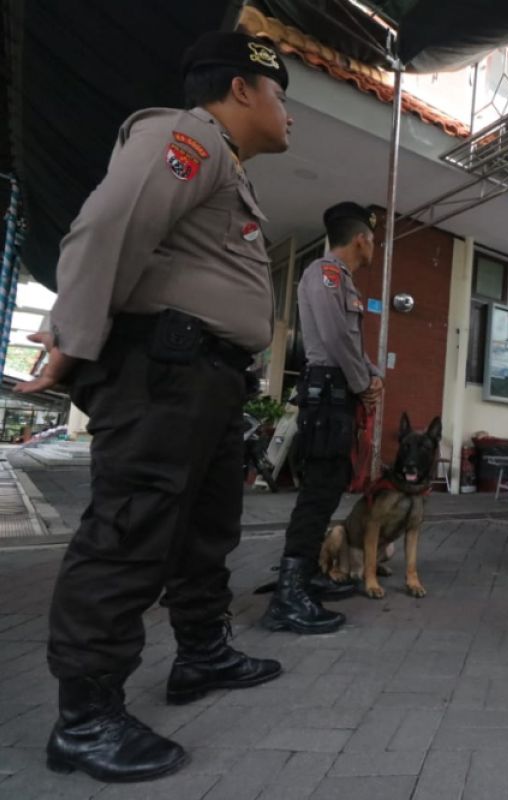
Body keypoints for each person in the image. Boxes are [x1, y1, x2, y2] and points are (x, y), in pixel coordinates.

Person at [14, 32, 292, 782]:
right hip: (162, 372)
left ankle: (200, 654)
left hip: (205, 378)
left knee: (207, 527)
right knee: (130, 531)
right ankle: (87, 718)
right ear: (242, 89)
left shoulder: (225, 164)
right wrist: (73, 337)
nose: (287, 114)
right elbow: (109, 226)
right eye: (280, 95)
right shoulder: (184, 136)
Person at [261, 201, 384, 634]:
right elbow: (334, 337)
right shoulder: (326, 274)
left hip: (337, 393)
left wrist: (371, 374)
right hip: (330, 394)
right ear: (361, 239)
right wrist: (362, 384)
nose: (374, 246)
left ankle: (305, 575)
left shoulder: (338, 278)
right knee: (318, 493)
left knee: (326, 489)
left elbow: (348, 340)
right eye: (373, 239)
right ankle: (288, 597)